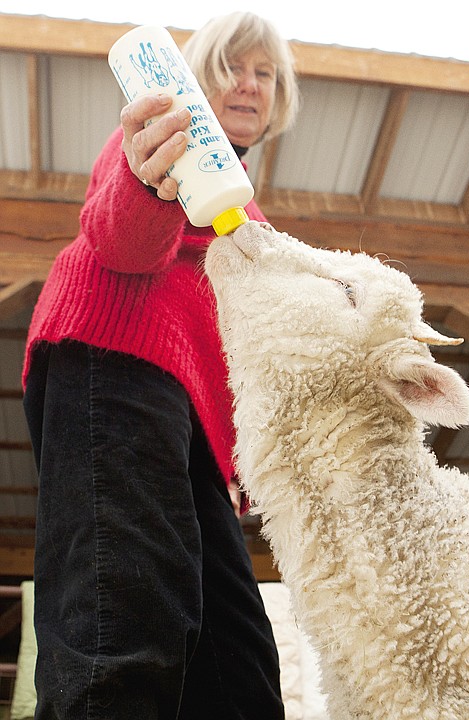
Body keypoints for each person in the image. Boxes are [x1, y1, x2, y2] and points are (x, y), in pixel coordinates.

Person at [22, 11, 299, 720]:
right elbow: (118, 244)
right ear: (196, 74)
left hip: (197, 430)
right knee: (123, 625)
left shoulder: (248, 210)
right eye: (233, 65)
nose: (248, 83)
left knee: (239, 669)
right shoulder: (160, 132)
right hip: (118, 351)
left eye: (264, 72)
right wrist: (151, 181)